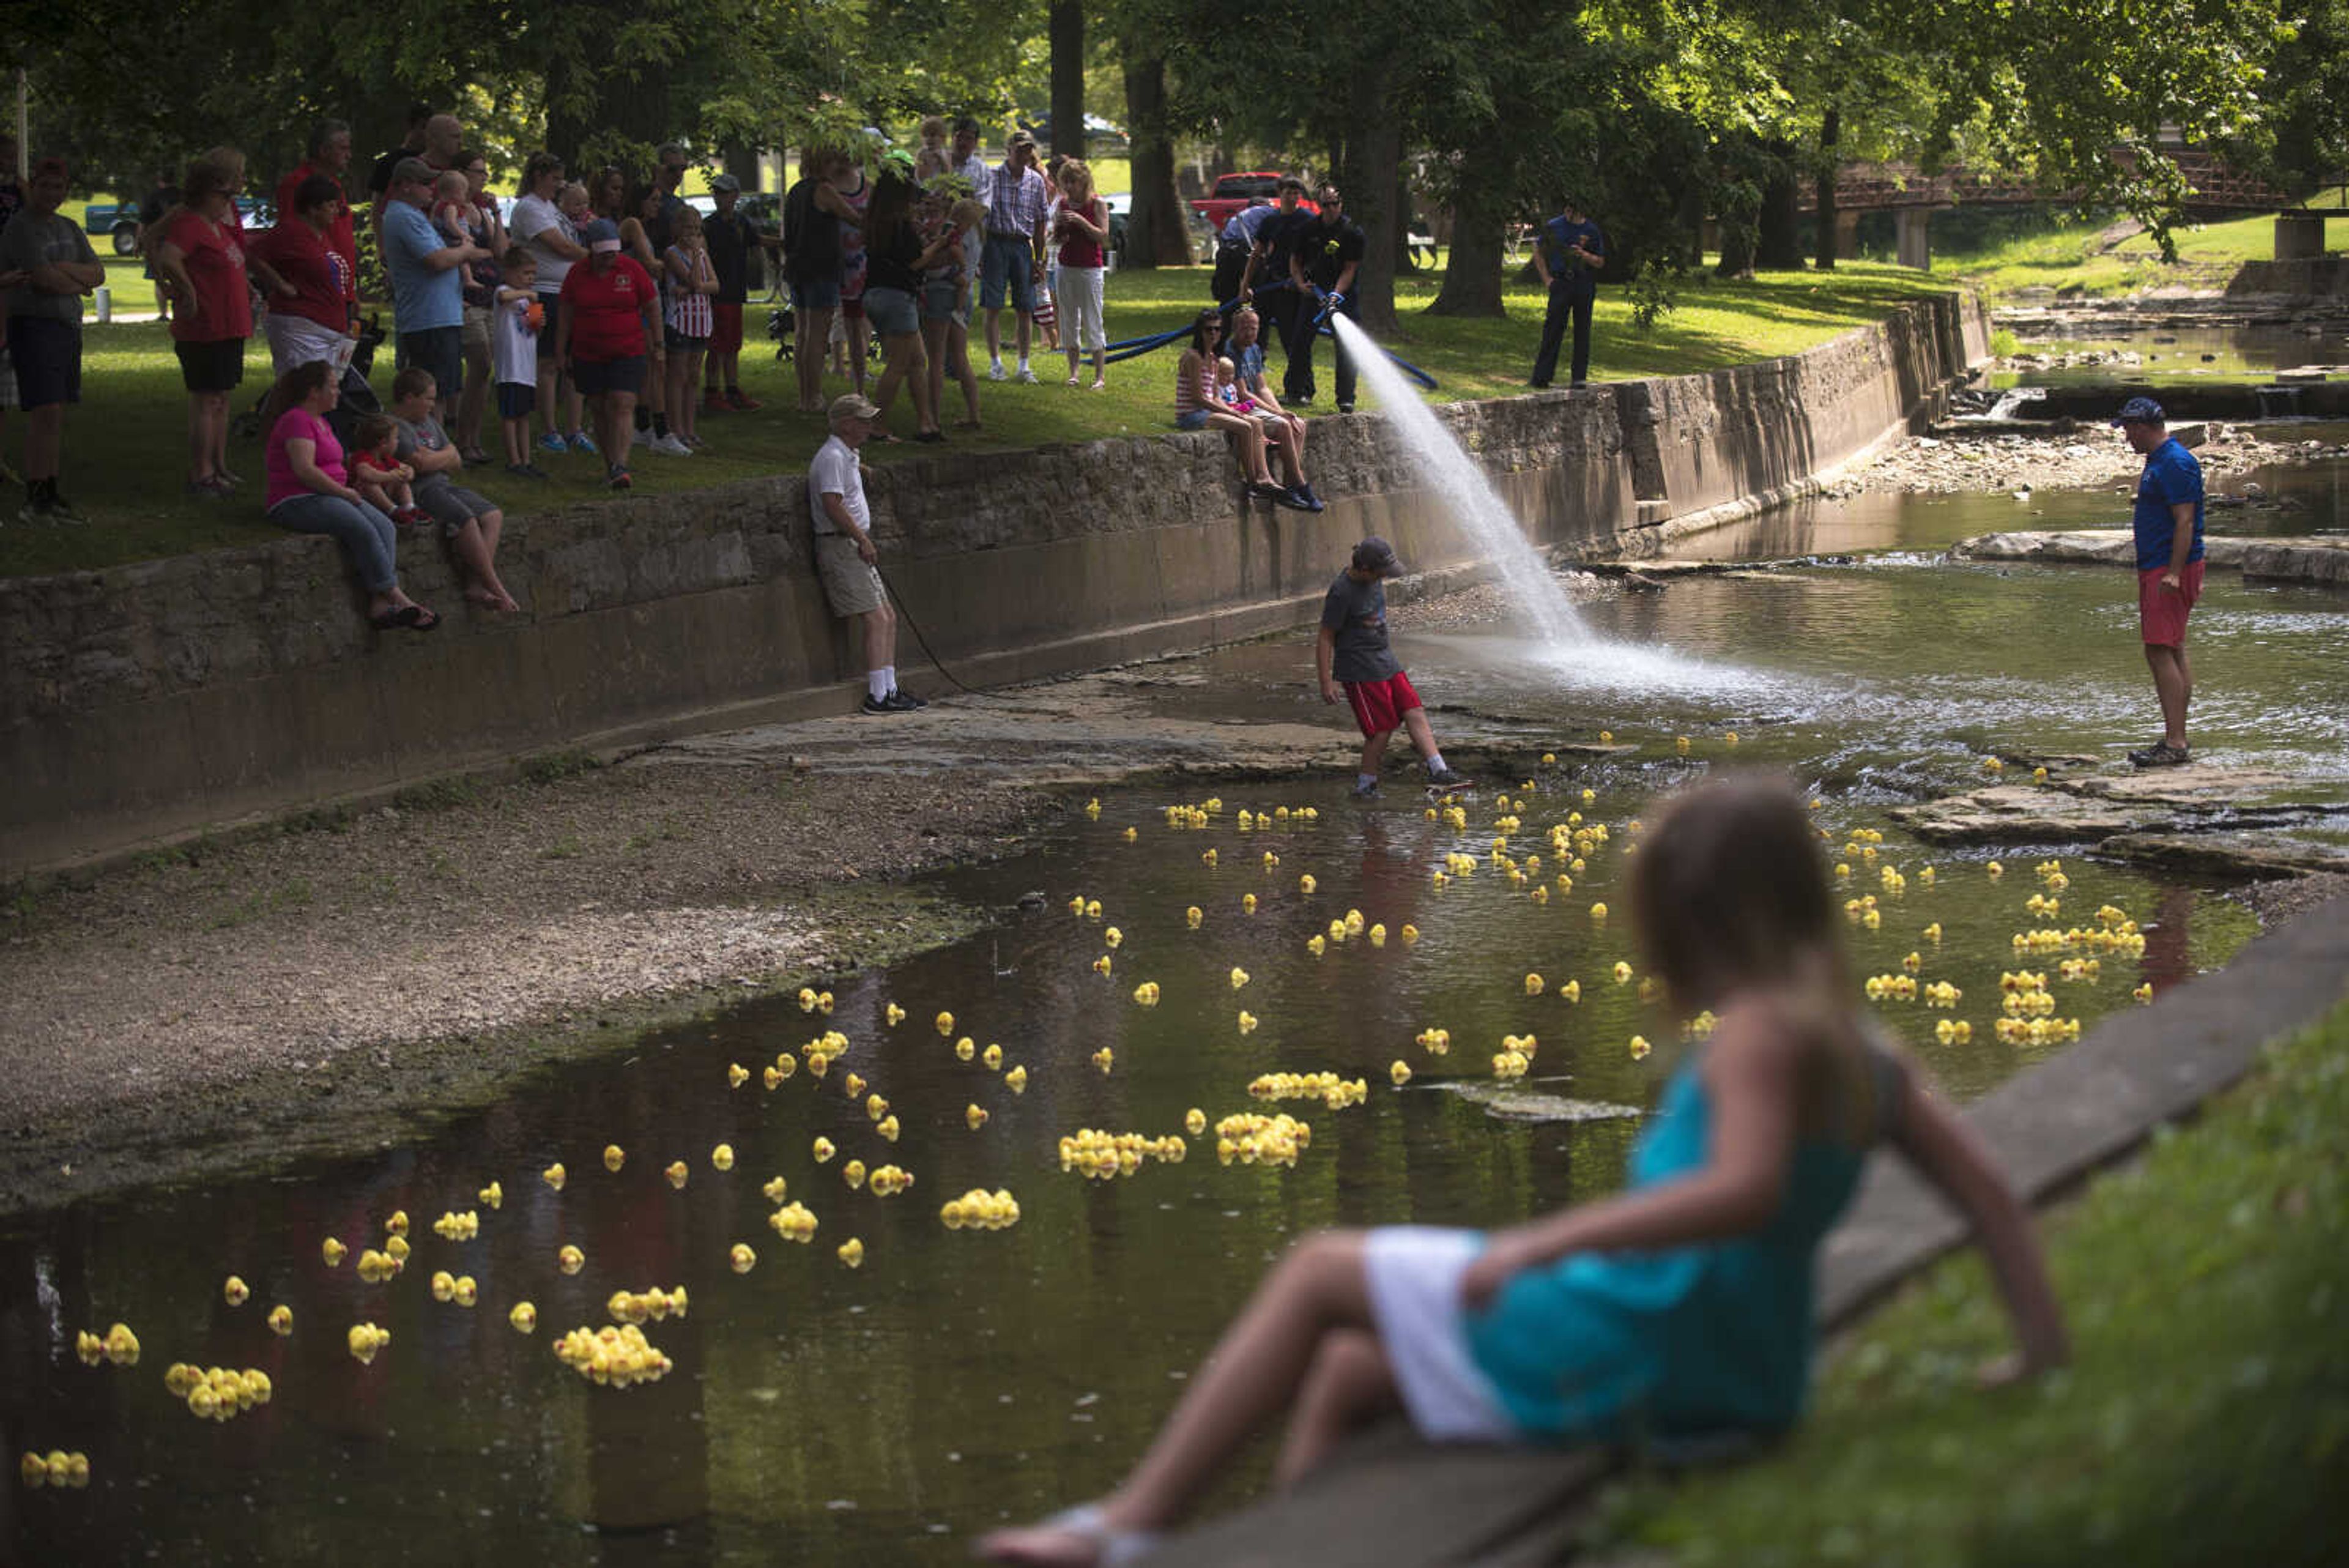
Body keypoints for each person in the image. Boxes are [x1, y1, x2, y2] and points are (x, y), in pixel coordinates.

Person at [978, 773, 2069, 1567]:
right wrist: (2040, 1349)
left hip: (1650, 1357)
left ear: (1691, 925)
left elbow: (1741, 1187)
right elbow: (1984, 1191)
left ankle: (1128, 1524)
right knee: (1355, 1366)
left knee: (1318, 1267)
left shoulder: (1754, 1036)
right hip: (1748, 1377)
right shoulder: (1864, 1050)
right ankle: (1294, 1538)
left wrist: (1541, 1240)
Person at [262, 359, 439, 631]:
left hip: (334, 495)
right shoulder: (297, 420)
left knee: (385, 527)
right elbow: (305, 470)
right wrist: (343, 492)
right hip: (299, 499)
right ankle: (397, 596)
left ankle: (380, 606)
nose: (339, 393)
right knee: (362, 529)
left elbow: (337, 462)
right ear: (314, 392)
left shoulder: (322, 422)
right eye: (333, 387)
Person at [1317, 537, 1466, 797]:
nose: (1384, 578)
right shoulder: (1342, 592)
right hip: (1360, 668)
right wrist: (1326, 681)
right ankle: (1366, 786)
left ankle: (1438, 770)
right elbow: (1326, 636)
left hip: (1385, 658)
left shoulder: (1373, 579)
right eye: (1381, 573)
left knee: (1413, 709)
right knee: (1381, 730)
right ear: (1364, 569)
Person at [0, 158, 102, 524]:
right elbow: (43, 280)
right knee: (45, 410)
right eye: (45, 186)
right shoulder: (21, 229)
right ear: (33, 187)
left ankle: (51, 488)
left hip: (67, 326)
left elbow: (98, 272)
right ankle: (35, 495)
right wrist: (78, 283)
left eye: (59, 187)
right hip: (34, 325)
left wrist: (69, 274)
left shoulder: (70, 227)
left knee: (57, 413)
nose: (52, 194)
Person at [810, 393, 925, 714]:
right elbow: (832, 504)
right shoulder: (832, 456)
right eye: (863, 421)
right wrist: (862, 539)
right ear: (846, 424)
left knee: (887, 615)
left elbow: (847, 471)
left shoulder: (846, 454)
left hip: (853, 543)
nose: (869, 426)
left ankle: (889, 687)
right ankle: (877, 695)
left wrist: (861, 468)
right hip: (842, 544)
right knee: (876, 618)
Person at [152, 158, 257, 496]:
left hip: (230, 324)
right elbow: (169, 256)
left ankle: (219, 466)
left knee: (221, 399)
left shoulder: (219, 226)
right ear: (211, 189)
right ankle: (202, 473)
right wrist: (186, 289)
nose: (229, 203)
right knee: (206, 400)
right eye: (224, 196)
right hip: (205, 326)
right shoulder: (190, 223)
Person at [2114, 396, 2205, 767]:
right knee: (2173, 648)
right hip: (2160, 564)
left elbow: (2185, 521)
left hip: (2167, 568)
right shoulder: (2160, 460)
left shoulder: (2176, 463)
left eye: (2127, 430)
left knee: (2158, 650)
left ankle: (2176, 742)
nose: (2125, 439)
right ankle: (2175, 737)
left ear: (2141, 426)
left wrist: (2173, 571)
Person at [388, 366, 519, 611]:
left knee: (493, 515)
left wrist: (436, 457)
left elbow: (456, 458)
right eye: (428, 398)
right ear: (409, 398)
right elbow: (419, 464)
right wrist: (441, 457)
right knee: (466, 520)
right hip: (423, 490)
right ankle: (496, 587)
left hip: (444, 483)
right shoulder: (396, 427)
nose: (433, 404)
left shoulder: (429, 422)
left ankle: (475, 583)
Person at [380, 157, 486, 430]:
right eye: (425, 183)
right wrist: (465, 249)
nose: (433, 188)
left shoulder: (415, 215)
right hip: (428, 319)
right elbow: (437, 260)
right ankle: (428, 449)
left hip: (439, 316)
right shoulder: (403, 217)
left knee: (440, 390)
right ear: (404, 186)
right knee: (430, 394)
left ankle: (435, 447)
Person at [556, 217, 659, 490]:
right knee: (600, 407)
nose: (609, 259)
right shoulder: (577, 273)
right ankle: (611, 463)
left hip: (628, 348)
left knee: (623, 402)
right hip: (588, 351)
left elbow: (651, 305)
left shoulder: (631, 269)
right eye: (603, 254)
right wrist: (560, 351)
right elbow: (566, 314)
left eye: (613, 252)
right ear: (591, 250)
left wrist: (658, 344)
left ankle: (621, 465)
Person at [860, 158, 951, 444]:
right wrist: (941, 243)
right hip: (897, 298)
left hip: (875, 295)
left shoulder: (874, 221)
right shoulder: (899, 225)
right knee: (898, 364)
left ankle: (927, 424)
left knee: (917, 360)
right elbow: (915, 262)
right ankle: (876, 425)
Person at [507, 152, 590, 454]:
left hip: (567, 291)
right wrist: (601, 256)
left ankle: (574, 428)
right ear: (539, 176)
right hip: (539, 294)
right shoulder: (529, 208)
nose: (558, 185)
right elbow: (562, 246)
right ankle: (549, 429)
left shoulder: (551, 208)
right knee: (545, 360)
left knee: (572, 360)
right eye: (554, 179)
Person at [1175, 309, 1297, 505]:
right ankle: (1253, 482)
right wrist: (1229, 413)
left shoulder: (1214, 359)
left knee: (1255, 422)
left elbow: (1216, 396)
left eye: (1217, 329)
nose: (1214, 333)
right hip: (1191, 415)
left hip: (1207, 411)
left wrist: (1232, 411)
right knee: (1245, 426)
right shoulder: (1193, 357)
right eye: (1209, 329)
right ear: (1200, 331)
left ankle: (1264, 477)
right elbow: (1198, 398)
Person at [251, 175, 358, 378]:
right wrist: (280, 284)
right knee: (303, 390)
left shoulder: (320, 234)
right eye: (331, 206)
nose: (337, 212)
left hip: (330, 326)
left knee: (325, 392)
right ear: (313, 209)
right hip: (301, 326)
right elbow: (252, 256)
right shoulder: (291, 232)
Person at [781, 146, 859, 414]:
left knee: (802, 333)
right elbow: (853, 217)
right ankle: (814, 396)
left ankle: (804, 395)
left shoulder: (795, 190)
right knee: (817, 335)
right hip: (821, 269)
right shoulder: (824, 190)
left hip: (797, 268)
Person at [1227, 305, 1321, 510]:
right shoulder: (1230, 352)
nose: (1250, 333)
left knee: (1298, 424)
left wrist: (1283, 412)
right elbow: (1243, 394)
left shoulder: (1254, 349)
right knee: (1283, 425)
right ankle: (1301, 485)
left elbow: (1262, 387)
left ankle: (1290, 486)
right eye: (1245, 328)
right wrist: (1278, 414)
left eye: (1254, 328)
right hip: (1242, 406)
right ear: (1235, 328)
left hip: (1255, 404)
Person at [619, 179, 686, 456]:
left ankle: (645, 424)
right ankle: (660, 430)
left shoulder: (645, 227)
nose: (659, 205)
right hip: (639, 302)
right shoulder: (632, 224)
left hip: (647, 298)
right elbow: (650, 263)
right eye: (655, 200)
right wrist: (668, 262)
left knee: (651, 366)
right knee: (657, 362)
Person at [448, 150, 507, 464]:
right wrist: (479, 254)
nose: (484, 178)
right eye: (479, 171)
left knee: (484, 371)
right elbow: (461, 251)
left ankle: (472, 438)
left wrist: (496, 215)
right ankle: (461, 436)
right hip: (466, 298)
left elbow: (500, 251)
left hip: (489, 295)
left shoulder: (481, 209)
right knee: (481, 362)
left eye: (486, 172)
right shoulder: (450, 210)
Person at [701, 173, 777, 412]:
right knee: (716, 346)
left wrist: (782, 244)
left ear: (735, 196)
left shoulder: (741, 223)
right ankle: (712, 391)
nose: (719, 198)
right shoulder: (709, 225)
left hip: (735, 291)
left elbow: (757, 242)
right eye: (717, 193)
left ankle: (733, 389)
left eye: (724, 193)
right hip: (716, 294)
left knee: (733, 344)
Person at [1286, 185, 1365, 412]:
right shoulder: (1308, 229)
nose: (1330, 209)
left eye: (1334, 204)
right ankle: (1299, 392)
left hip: (1343, 297)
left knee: (1347, 347)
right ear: (1319, 206)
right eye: (1325, 204)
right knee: (1300, 342)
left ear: (1341, 204)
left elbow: (1350, 269)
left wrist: (1335, 295)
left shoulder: (1352, 233)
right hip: (1313, 293)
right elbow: (1295, 260)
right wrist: (1301, 285)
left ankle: (1346, 398)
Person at [980, 129, 1050, 384]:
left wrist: (1040, 260)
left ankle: (1024, 365)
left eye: (1028, 149)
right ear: (1008, 149)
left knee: (1025, 307)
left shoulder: (1036, 181)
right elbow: (981, 217)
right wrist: (979, 253)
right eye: (1019, 148)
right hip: (995, 243)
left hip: (1023, 246)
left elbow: (1041, 223)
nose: (1024, 154)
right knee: (993, 305)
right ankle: (995, 363)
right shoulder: (991, 176)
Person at [920, 195, 987, 432]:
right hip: (963, 296)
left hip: (941, 292)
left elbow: (939, 260)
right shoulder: (977, 236)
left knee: (936, 358)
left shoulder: (954, 235)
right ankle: (974, 413)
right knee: (960, 357)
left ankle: (934, 417)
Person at [273, 119, 357, 299]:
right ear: (323, 151)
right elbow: (293, 239)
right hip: (316, 294)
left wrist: (350, 292)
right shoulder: (297, 185)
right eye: (343, 149)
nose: (349, 155)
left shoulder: (333, 185)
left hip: (339, 291)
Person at [1531, 195, 1606, 389]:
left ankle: (1579, 377)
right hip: (1561, 282)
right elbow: (1538, 250)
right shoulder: (1554, 226)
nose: (1569, 214)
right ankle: (1542, 376)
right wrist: (1547, 279)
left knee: (1582, 330)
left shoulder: (1591, 231)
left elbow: (1600, 262)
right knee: (1553, 328)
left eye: (1573, 211)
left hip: (1583, 283)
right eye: (1567, 210)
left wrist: (1584, 255)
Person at [661, 205, 718, 450]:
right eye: (688, 229)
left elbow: (715, 285)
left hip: (701, 321)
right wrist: (696, 258)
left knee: (694, 377)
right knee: (679, 375)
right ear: (678, 229)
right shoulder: (673, 254)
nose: (692, 234)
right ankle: (676, 429)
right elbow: (693, 279)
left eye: (696, 230)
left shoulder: (704, 255)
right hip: (681, 321)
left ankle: (691, 429)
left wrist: (697, 288)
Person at [1239, 178, 1311, 368]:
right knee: (1254, 331)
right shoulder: (1271, 220)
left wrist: (1300, 279)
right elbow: (1256, 253)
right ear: (1280, 193)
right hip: (1269, 282)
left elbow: (1314, 256)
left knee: (1291, 336)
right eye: (1289, 193)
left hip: (1290, 287)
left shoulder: (1308, 220)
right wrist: (1245, 285)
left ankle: (1300, 387)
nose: (1293, 197)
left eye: (1296, 193)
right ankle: (1253, 374)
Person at [492, 247, 545, 475]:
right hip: (510, 366)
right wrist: (529, 296)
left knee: (524, 415)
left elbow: (534, 330)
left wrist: (538, 322)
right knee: (511, 415)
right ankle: (514, 461)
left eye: (533, 274)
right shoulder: (504, 291)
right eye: (525, 274)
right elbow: (503, 297)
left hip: (527, 367)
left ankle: (526, 460)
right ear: (510, 273)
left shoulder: (529, 298)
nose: (530, 279)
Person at [347, 412, 427, 526]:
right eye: (395, 438)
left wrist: (407, 473)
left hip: (384, 495)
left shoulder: (386, 459)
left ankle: (409, 508)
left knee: (402, 482)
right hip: (362, 499)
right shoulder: (362, 457)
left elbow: (407, 468)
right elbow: (366, 474)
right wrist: (391, 476)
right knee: (370, 484)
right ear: (383, 443)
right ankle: (393, 511)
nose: (397, 442)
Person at [913, 116, 951, 184]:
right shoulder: (921, 153)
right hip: (924, 189)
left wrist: (941, 160)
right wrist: (928, 164)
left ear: (943, 138)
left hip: (939, 189)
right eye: (925, 136)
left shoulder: (945, 153)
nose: (928, 139)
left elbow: (948, 174)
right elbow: (920, 177)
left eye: (932, 135)